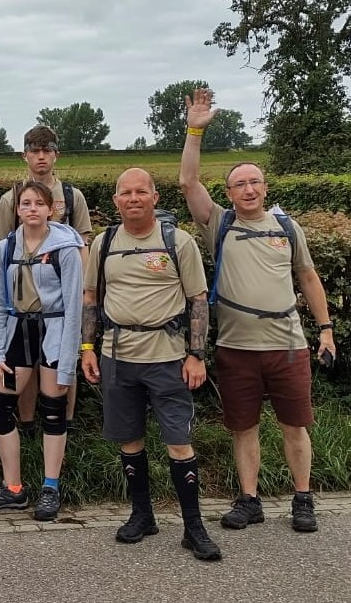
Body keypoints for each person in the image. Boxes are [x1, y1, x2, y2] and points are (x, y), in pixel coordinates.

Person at [179, 87, 336, 533]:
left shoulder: (287, 227)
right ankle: (249, 500)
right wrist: (195, 130)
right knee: (242, 428)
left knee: (295, 426)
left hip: (288, 346)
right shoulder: (219, 225)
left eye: (254, 181)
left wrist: (325, 329)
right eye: (239, 183)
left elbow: (307, 277)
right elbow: (188, 183)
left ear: (265, 188)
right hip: (235, 347)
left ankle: (302, 499)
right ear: (228, 193)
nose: (248, 188)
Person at [80, 168, 221, 561]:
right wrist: (87, 347)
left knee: (179, 441)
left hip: (169, 358)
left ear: (155, 198)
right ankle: (142, 515)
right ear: (115, 200)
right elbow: (91, 296)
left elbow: (197, 300)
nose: (133, 198)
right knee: (130, 439)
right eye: (126, 192)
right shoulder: (104, 243)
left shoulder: (179, 242)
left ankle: (194, 527)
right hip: (117, 355)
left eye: (141, 191)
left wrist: (197, 355)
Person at [0, 180, 86, 521]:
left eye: (39, 203)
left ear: (50, 208)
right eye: (26, 203)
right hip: (18, 332)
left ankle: (50, 488)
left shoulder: (66, 247)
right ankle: (13, 488)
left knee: (53, 409)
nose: (32, 208)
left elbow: (74, 308)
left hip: (54, 331)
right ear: (17, 209)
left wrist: (68, 362)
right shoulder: (4, 250)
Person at [0, 125, 92, 441]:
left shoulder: (73, 197)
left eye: (46, 150)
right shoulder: (11, 198)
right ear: (25, 155)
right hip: (23, 291)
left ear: (55, 155)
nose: (40, 157)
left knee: (63, 355)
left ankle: (65, 422)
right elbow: (2, 244)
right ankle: (28, 423)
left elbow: (83, 241)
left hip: (62, 289)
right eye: (34, 151)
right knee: (25, 362)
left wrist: (86, 290)